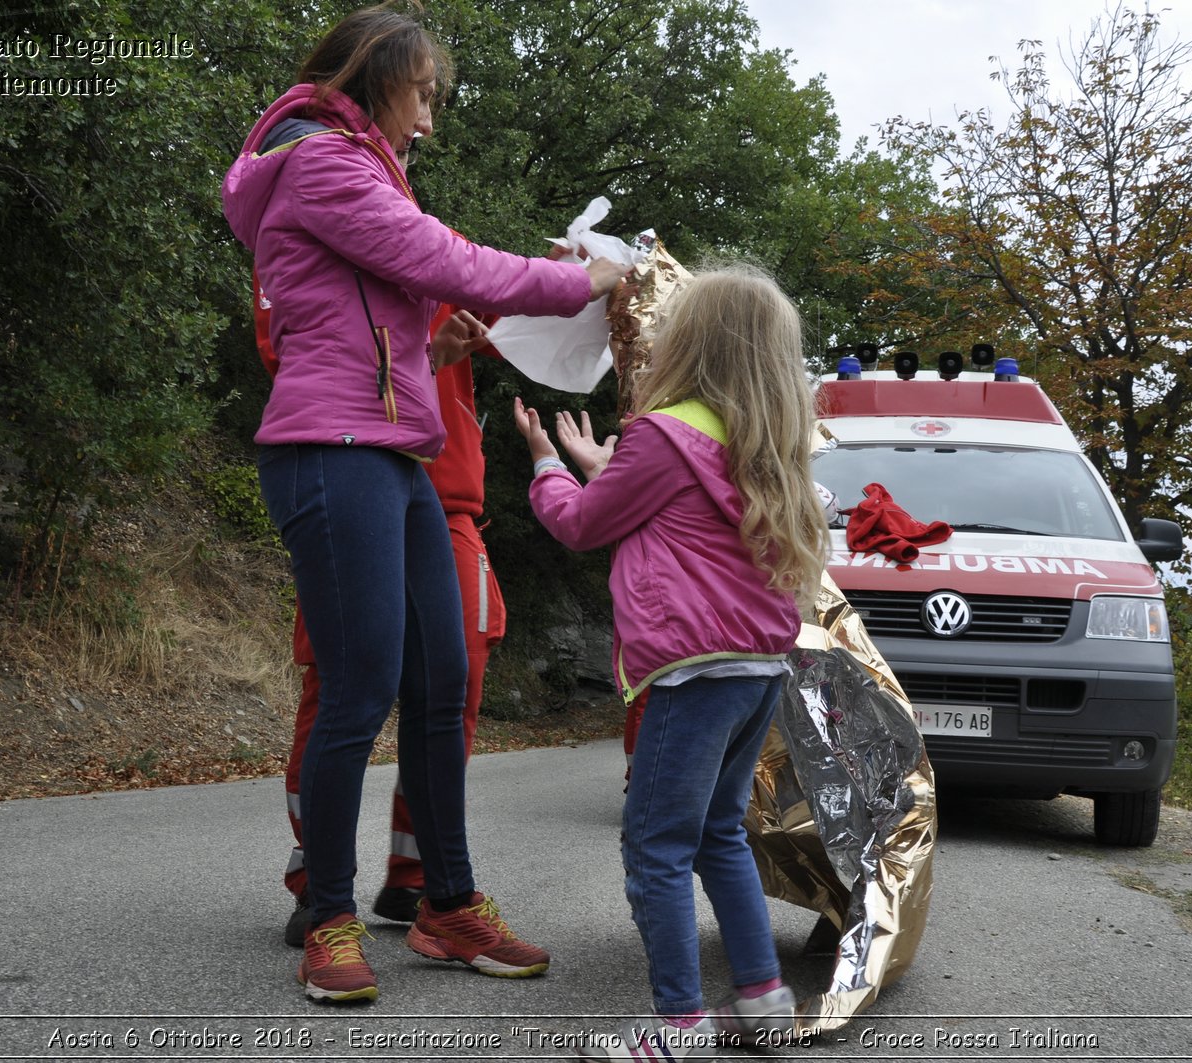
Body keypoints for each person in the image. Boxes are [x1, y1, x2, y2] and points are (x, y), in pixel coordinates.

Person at [223, 4, 629, 1005]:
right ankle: (327, 914)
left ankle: (446, 904)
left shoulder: (365, 168)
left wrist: (432, 349)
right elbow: (453, 264)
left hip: (396, 450)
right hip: (331, 449)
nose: (429, 122)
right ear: (378, 82)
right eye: (423, 99)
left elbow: (397, 296)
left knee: (441, 680)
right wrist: (586, 278)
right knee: (359, 686)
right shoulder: (322, 163)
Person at [513, 263, 829, 1059]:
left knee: (655, 846)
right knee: (720, 832)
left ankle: (677, 1028)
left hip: (693, 670)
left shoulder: (663, 433)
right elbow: (673, 510)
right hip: (758, 667)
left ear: (691, 340)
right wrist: (603, 465)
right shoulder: (766, 442)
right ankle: (763, 1004)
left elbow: (586, 525)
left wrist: (549, 465)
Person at [255, 276, 508, 942]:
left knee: (454, 678)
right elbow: (302, 360)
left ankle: (424, 878)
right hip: (346, 468)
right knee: (341, 680)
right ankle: (322, 888)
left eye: (402, 159)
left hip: (441, 491)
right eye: (390, 158)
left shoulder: (432, 242)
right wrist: (426, 354)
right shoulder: (305, 224)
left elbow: (513, 326)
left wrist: (578, 280)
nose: (397, 163)